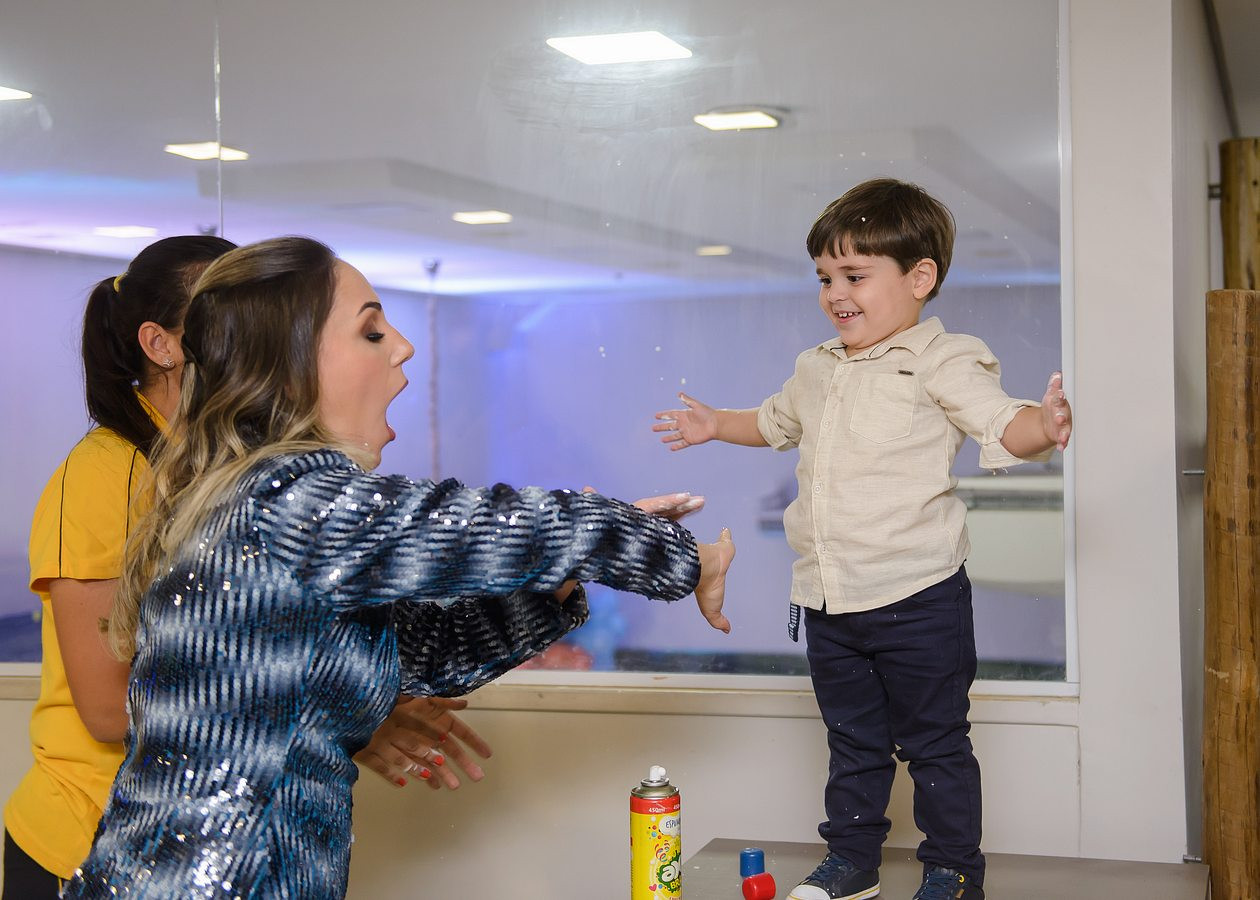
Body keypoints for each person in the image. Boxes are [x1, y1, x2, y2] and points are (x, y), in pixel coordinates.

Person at [62, 236, 734, 898]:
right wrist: (681, 557)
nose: (405, 347)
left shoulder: (270, 510)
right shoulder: (291, 500)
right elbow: (484, 526)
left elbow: (429, 652)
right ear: (293, 367)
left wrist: (567, 569)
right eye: (372, 332)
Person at [2, 237, 490, 899]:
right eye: (219, 318)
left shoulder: (239, 477)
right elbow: (109, 709)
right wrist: (324, 716)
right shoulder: (102, 476)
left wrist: (351, 702)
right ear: (161, 344)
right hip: (91, 844)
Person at [653, 178, 1071, 900]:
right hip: (828, 599)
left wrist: (1046, 425)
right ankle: (852, 862)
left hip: (920, 597)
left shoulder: (943, 359)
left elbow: (1003, 422)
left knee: (936, 744)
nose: (835, 294)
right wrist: (717, 423)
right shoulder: (816, 367)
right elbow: (774, 421)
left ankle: (953, 871)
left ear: (919, 277)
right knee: (852, 742)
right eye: (825, 278)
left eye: (854, 275)